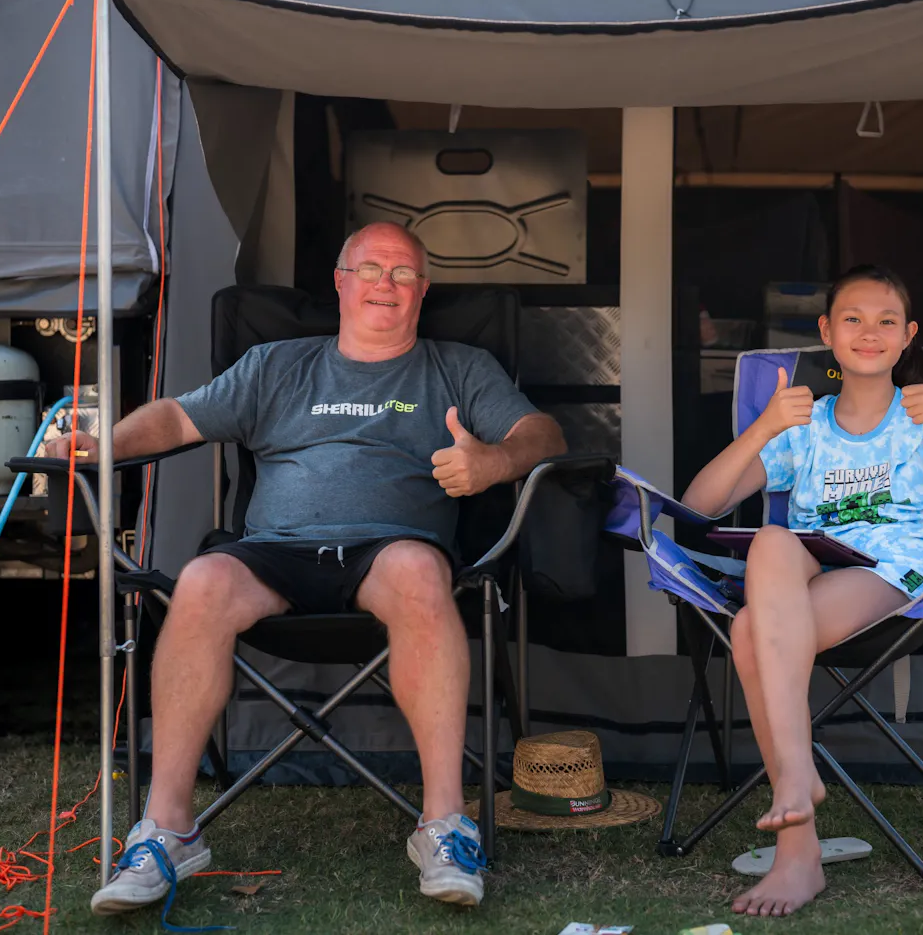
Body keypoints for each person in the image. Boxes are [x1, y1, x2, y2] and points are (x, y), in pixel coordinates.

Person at [48, 221, 566, 914]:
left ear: (423, 290)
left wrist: (493, 462)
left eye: (404, 273)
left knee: (419, 571)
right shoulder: (276, 363)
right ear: (341, 281)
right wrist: (101, 446)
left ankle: (443, 824)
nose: (387, 283)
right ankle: (167, 828)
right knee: (200, 578)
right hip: (275, 549)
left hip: (391, 548)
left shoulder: (458, 365)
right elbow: (177, 420)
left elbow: (544, 435)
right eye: (372, 268)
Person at [681, 264, 923, 918]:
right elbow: (697, 506)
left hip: (893, 578)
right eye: (852, 318)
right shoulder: (803, 422)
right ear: (827, 332)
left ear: (908, 336)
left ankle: (797, 846)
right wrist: (765, 427)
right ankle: (797, 779)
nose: (869, 332)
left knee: (747, 629)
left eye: (887, 321)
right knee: (771, 539)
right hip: (803, 575)